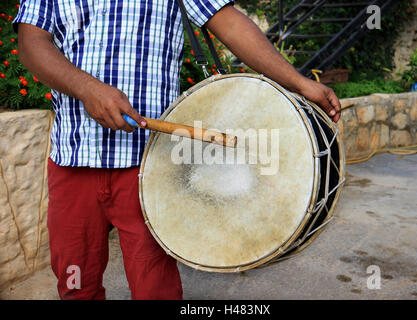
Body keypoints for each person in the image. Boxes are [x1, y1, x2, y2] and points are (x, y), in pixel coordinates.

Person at [14, 0, 341, 300]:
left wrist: (299, 82)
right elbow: (32, 43)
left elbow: (228, 22)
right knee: (75, 285)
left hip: (149, 165)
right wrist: (88, 88)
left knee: (155, 288)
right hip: (74, 158)